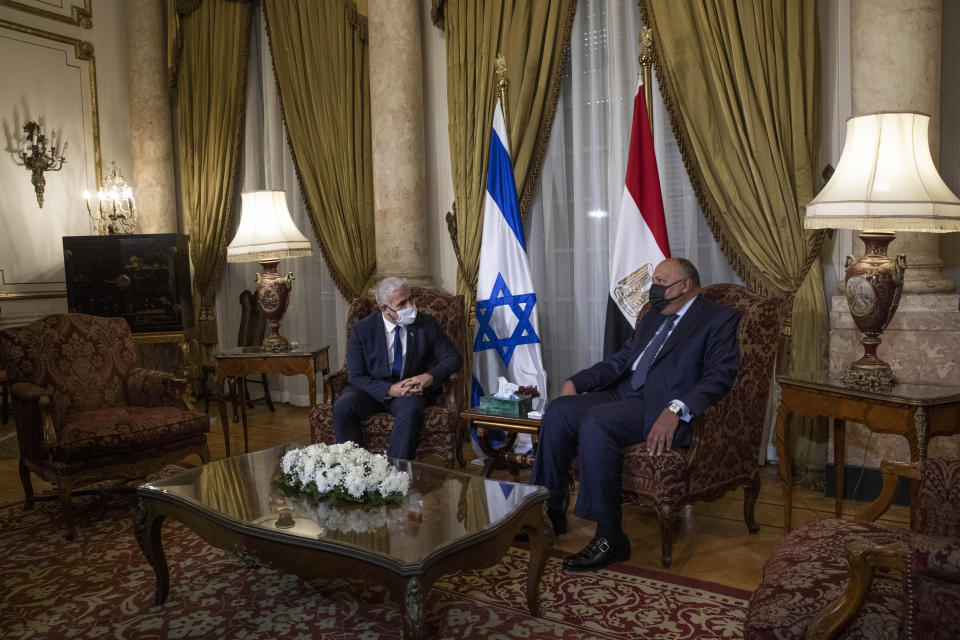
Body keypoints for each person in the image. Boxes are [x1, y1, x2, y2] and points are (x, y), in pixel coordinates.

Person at [530, 258, 740, 572]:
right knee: (559, 411)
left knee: (596, 422)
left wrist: (676, 408)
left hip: (658, 404)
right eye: (653, 281)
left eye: (660, 282)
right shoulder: (653, 316)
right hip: (623, 393)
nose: (653, 289)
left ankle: (610, 538)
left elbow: (719, 376)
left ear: (685, 285)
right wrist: (577, 380)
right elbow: (624, 359)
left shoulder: (718, 318)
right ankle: (548, 511)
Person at [333, 277, 463, 460]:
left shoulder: (427, 324)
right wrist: (389, 389)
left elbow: (453, 359)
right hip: (371, 390)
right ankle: (355, 470)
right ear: (384, 309)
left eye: (411, 299)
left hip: (409, 390)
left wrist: (428, 377)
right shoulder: (362, 330)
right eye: (402, 303)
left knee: (411, 410)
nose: (410, 306)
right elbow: (355, 376)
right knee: (342, 406)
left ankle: (395, 477)